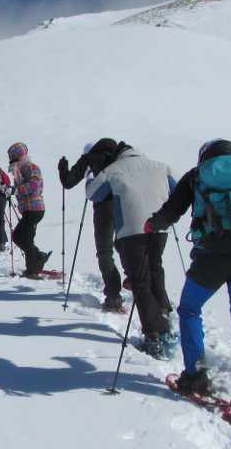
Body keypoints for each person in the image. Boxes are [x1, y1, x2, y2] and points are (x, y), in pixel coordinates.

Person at [145, 139, 231, 426]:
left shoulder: (196, 176)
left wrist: (152, 224)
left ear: (204, 156)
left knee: (190, 310)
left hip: (208, 262)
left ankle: (196, 374)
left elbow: (171, 212)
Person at [86, 141, 176, 357]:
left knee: (140, 282)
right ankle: (163, 316)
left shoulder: (113, 170)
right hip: (159, 228)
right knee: (155, 269)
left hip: (131, 230)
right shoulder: (161, 167)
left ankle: (153, 333)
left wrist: (90, 175)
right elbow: (178, 190)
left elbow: (93, 193)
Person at [58, 138, 125, 311]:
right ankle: (139, 284)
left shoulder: (90, 158)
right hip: (126, 204)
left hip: (104, 207)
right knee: (126, 246)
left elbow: (68, 182)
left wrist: (63, 167)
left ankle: (114, 295)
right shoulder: (121, 157)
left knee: (105, 251)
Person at [7, 142, 51, 279]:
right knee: (19, 237)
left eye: (13, 157)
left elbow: (33, 185)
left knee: (25, 238)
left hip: (35, 208)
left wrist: (15, 190)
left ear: (20, 157)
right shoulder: (19, 172)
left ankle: (32, 269)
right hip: (27, 209)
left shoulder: (32, 168)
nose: (11, 160)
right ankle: (39, 256)